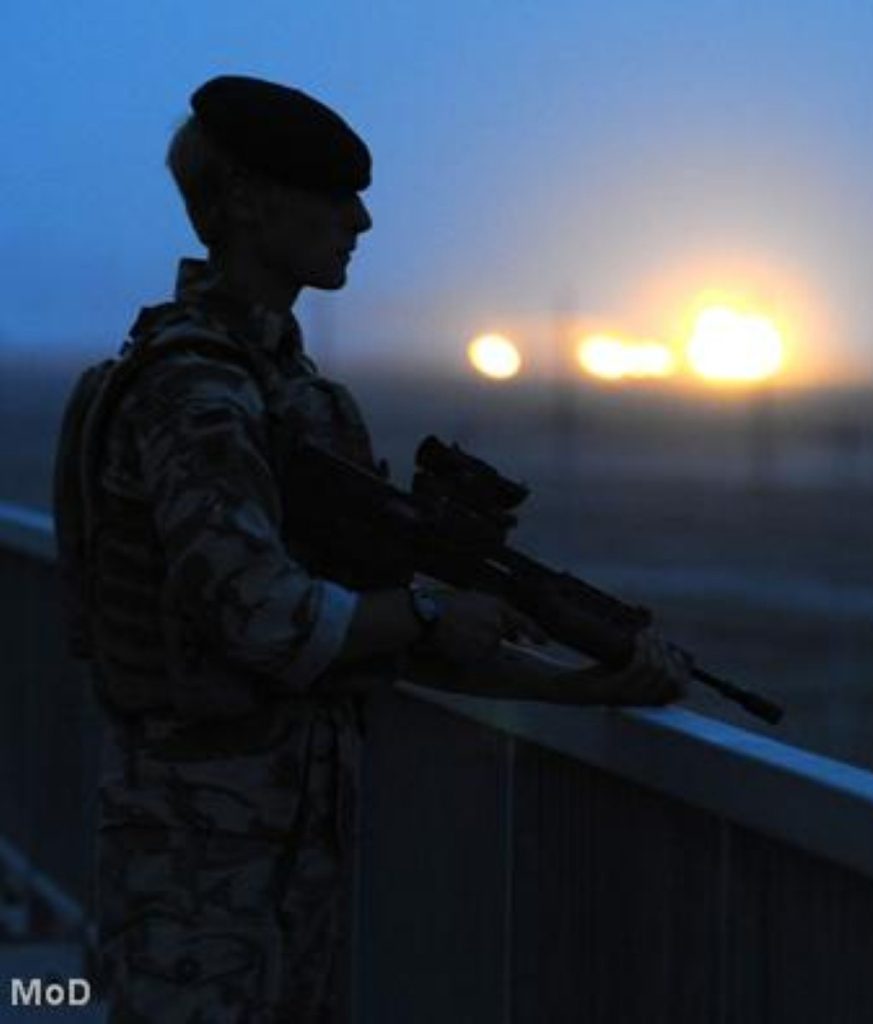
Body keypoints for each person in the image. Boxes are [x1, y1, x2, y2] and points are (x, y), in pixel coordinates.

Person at [53, 75, 691, 1023]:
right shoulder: (195, 391)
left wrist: (583, 683)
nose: (360, 219)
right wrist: (432, 607)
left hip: (291, 851)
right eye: (330, 195)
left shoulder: (291, 392)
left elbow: (370, 633)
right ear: (247, 202)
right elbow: (267, 616)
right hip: (195, 860)